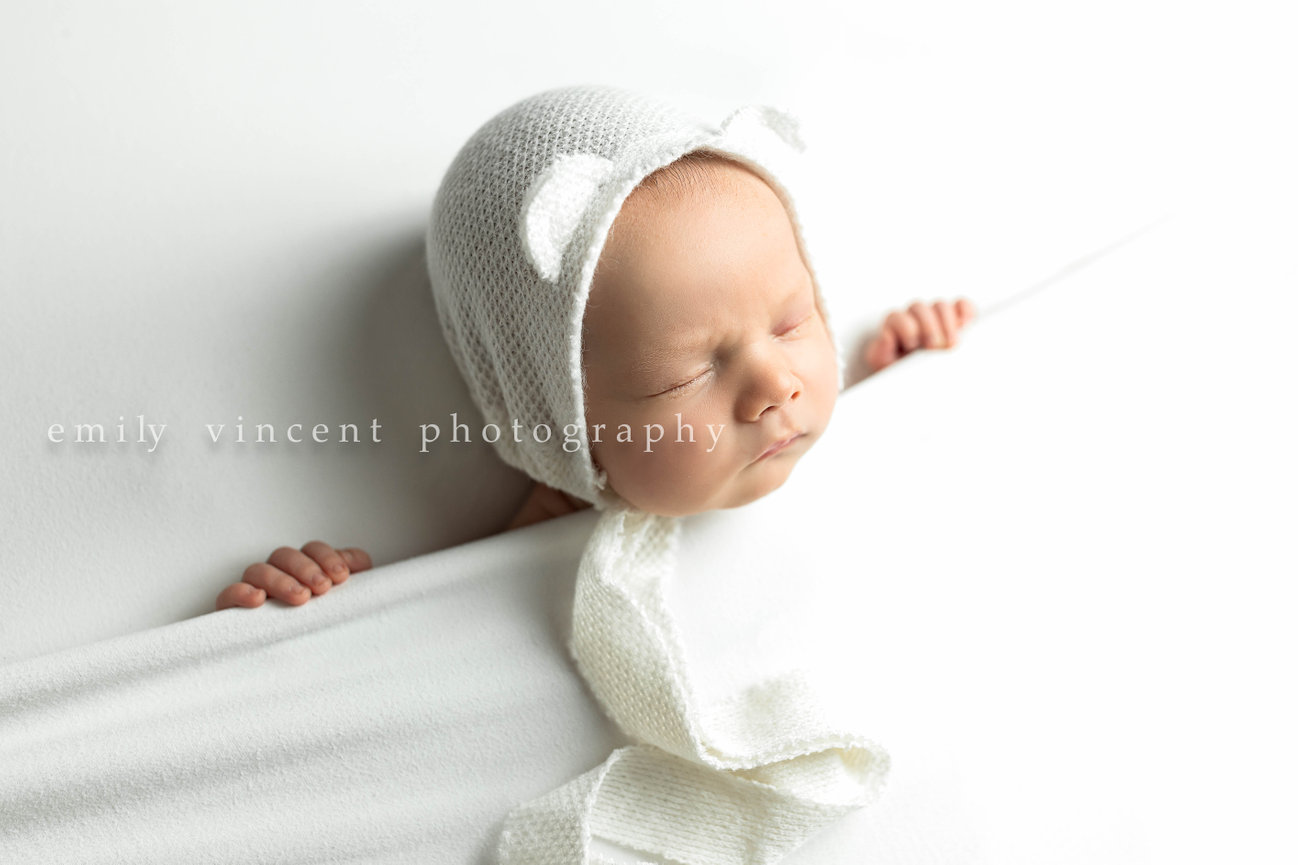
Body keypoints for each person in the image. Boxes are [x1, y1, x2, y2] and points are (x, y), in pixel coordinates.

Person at [213, 93, 975, 613]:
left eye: (791, 322)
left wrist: (910, 360)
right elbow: (432, 651)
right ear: (560, 423)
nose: (777, 384)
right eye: (688, 374)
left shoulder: (850, 419)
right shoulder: (538, 553)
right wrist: (319, 615)